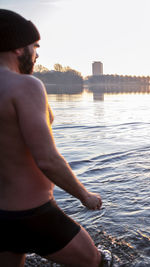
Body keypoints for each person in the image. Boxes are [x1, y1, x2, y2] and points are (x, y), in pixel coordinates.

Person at [0, 9, 106, 267]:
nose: (37, 54)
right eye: (34, 47)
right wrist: (85, 195)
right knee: (97, 262)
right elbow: (47, 159)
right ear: (17, 48)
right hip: (32, 214)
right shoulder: (25, 86)